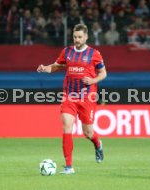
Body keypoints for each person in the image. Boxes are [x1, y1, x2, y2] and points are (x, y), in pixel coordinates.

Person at [37, 24, 107, 174]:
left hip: (87, 97)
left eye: (80, 37)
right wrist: (46, 68)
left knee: (88, 133)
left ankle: (97, 143)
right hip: (69, 95)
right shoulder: (67, 52)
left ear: (86, 37)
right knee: (67, 126)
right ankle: (69, 166)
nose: (77, 39)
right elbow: (56, 66)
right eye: (75, 37)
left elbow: (103, 73)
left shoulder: (94, 54)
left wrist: (93, 81)